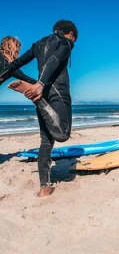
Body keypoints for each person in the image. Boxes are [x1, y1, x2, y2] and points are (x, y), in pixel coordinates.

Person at [0, 20, 78, 197]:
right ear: (70, 34)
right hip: (55, 93)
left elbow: (15, 64)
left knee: (46, 141)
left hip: (39, 90)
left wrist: (35, 84)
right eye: (74, 39)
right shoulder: (66, 42)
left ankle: (45, 187)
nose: (73, 43)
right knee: (63, 133)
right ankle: (37, 100)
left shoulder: (38, 44)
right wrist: (40, 85)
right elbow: (55, 59)